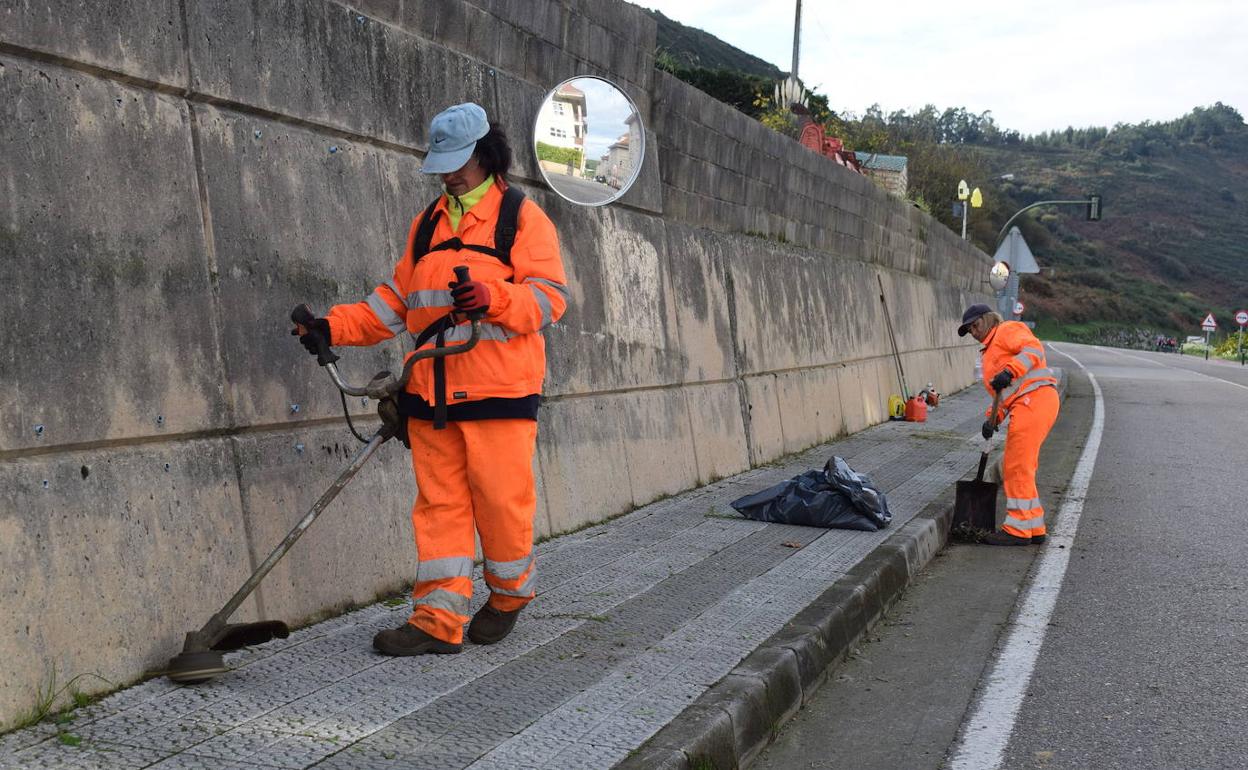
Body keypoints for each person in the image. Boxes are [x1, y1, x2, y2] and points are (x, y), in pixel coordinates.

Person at [292, 103, 569, 654]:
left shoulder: (520, 217)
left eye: (459, 161)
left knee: (500, 504)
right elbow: (394, 303)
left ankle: (510, 595)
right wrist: (332, 327)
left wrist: (494, 298)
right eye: (442, 164)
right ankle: (437, 621)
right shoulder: (427, 225)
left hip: (499, 394)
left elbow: (550, 300)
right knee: (439, 507)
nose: (449, 173)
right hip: (433, 397)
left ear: (487, 155)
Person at [958, 304, 1060, 546]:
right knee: (1023, 466)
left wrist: (1010, 371)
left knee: (1015, 466)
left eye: (975, 325)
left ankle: (1017, 530)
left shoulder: (1006, 330)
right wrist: (992, 419)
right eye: (969, 329)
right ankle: (1034, 527)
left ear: (988, 319)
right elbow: (1003, 395)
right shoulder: (989, 352)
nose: (973, 331)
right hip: (1028, 402)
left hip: (1034, 399)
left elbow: (1033, 348)